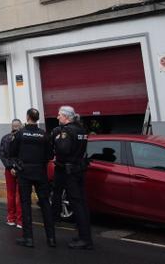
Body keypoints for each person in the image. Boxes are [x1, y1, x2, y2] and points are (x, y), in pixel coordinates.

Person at [10, 108, 55, 248]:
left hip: (24, 173)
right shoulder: (44, 135)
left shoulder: (20, 134)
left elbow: (12, 152)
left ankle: (28, 238)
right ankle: (51, 239)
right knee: (45, 204)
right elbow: (50, 155)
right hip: (40, 173)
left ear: (28, 117)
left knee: (25, 204)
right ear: (37, 118)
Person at [52, 106, 93, 250]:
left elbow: (63, 149)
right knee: (81, 203)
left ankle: (85, 239)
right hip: (79, 169)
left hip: (70, 172)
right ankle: (84, 235)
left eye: (59, 115)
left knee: (77, 204)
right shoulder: (81, 129)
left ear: (66, 117)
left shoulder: (67, 131)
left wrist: (56, 138)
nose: (57, 117)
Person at [0, 119, 23, 228]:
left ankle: (11, 218)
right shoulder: (23, 138)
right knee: (20, 194)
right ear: (21, 126)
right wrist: (17, 167)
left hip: (9, 170)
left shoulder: (5, 138)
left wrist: (10, 166)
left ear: (12, 126)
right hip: (21, 170)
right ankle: (20, 221)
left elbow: (2, 155)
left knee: (10, 194)